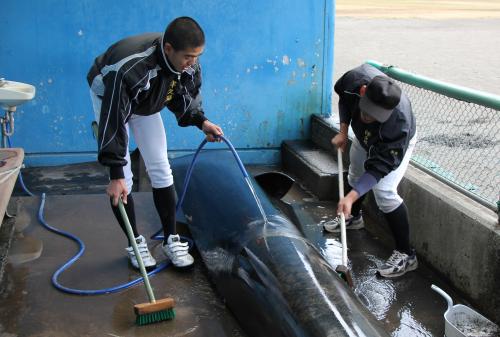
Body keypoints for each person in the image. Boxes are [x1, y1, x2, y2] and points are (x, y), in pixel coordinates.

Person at [87, 17, 223, 270]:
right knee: (123, 181)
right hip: (110, 95)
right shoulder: (129, 70)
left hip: (145, 98)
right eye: (188, 57)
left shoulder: (187, 62)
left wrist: (201, 121)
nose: (193, 62)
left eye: (197, 56)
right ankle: (134, 241)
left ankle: (171, 239)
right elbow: (114, 122)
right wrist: (115, 173)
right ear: (168, 49)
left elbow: (185, 95)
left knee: (160, 166)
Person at [324, 64, 417, 278]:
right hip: (364, 136)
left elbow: (379, 167)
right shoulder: (354, 80)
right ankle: (354, 218)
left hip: (389, 144)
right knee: (354, 175)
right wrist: (343, 130)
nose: (370, 117)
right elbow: (345, 100)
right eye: (368, 111)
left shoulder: (398, 123)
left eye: (377, 115)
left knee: (384, 192)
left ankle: (406, 254)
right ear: (363, 91)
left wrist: (351, 196)